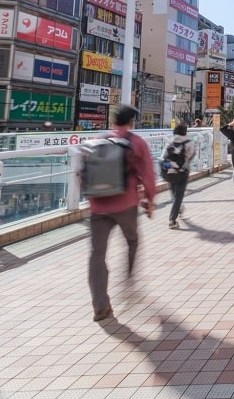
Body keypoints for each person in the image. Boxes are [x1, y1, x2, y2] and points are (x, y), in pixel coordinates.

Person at [87, 104, 156, 322]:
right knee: (133, 241)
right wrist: (149, 200)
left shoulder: (97, 141)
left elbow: (83, 175)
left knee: (97, 254)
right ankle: (129, 282)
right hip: (126, 203)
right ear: (131, 122)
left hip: (98, 206)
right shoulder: (136, 142)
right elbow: (148, 175)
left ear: (113, 121)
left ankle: (100, 304)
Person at [163, 121, 195, 229]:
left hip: (170, 172)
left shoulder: (169, 143)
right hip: (182, 172)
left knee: (174, 194)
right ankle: (172, 220)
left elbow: (163, 156)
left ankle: (179, 208)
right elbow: (191, 155)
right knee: (178, 196)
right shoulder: (188, 143)